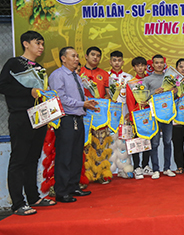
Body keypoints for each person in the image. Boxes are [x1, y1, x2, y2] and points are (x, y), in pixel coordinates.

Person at [0, 31, 56, 215]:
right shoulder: (14, 63)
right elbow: (3, 86)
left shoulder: (40, 68)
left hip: (38, 116)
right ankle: (18, 203)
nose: (41, 47)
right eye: (37, 43)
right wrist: (28, 92)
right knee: (19, 159)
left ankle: (33, 197)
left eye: (42, 44)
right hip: (20, 116)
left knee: (33, 158)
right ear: (26, 43)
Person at [49, 47, 97, 203]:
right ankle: (61, 191)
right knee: (65, 155)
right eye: (73, 56)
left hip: (78, 118)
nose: (77, 59)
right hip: (66, 119)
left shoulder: (76, 75)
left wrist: (87, 102)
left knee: (76, 154)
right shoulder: (58, 75)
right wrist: (83, 103)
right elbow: (60, 98)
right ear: (63, 58)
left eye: (77, 56)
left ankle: (73, 186)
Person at [80, 46, 112, 184]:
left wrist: (110, 100)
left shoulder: (104, 74)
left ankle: (100, 174)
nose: (95, 58)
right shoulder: (78, 72)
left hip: (100, 114)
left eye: (98, 56)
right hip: (83, 112)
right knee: (85, 145)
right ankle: (85, 176)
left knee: (100, 144)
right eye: (92, 55)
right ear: (86, 56)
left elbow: (108, 93)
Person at [143, 55, 176, 179]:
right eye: (156, 63)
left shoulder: (169, 78)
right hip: (154, 115)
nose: (159, 65)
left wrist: (175, 91)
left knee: (167, 141)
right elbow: (143, 97)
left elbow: (176, 92)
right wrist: (153, 92)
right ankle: (156, 169)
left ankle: (167, 168)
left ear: (164, 64)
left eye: (161, 63)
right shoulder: (147, 79)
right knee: (155, 143)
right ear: (152, 65)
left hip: (167, 114)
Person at [108, 50, 134, 179]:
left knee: (124, 142)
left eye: (119, 60)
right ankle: (109, 169)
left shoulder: (128, 77)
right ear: (110, 61)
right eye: (114, 60)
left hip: (124, 114)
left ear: (123, 62)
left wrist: (130, 113)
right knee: (110, 141)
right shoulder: (106, 76)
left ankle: (125, 168)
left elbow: (131, 98)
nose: (117, 63)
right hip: (110, 116)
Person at [126, 56, 152, 179]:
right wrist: (133, 117)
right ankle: (137, 167)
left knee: (147, 141)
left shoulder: (149, 80)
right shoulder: (131, 83)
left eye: (142, 65)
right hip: (136, 116)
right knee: (136, 142)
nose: (140, 68)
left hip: (148, 115)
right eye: (138, 66)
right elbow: (130, 102)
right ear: (134, 68)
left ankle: (146, 165)